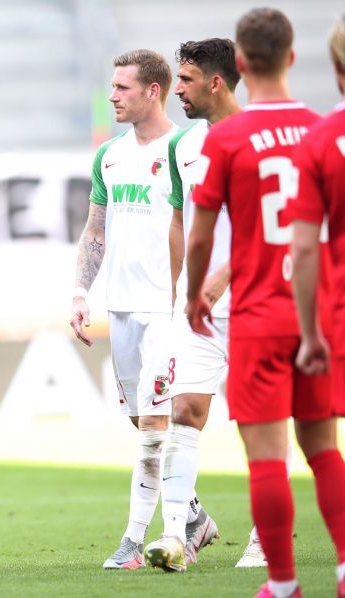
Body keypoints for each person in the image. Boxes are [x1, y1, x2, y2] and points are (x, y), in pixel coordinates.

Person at [186, 9, 345, 598]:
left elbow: (201, 234)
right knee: (324, 449)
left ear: (243, 65)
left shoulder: (227, 137)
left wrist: (195, 294)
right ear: (294, 57)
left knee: (268, 459)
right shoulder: (322, 129)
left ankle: (281, 583)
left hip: (256, 314)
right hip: (318, 314)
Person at [144, 37, 263, 572]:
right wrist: (179, 291)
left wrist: (223, 277)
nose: (179, 91)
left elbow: (270, 227)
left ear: (216, 82)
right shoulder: (182, 146)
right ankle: (175, 537)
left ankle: (266, 534)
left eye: (186, 81)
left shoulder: (262, 140)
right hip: (198, 310)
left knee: (261, 422)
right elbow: (179, 221)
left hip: (261, 301)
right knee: (184, 412)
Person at [70, 49, 190, 570]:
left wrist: (187, 295)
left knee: (154, 425)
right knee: (142, 421)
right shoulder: (110, 155)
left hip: (165, 307)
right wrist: (80, 292)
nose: (113, 96)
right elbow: (95, 228)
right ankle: (195, 517)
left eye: (122, 88)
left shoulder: (185, 147)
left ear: (153, 91)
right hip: (119, 306)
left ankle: (138, 541)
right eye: (112, 87)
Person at [290, 14, 345, 598]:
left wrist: (308, 332)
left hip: (335, 310)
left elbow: (304, 246)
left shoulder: (324, 139)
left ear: (335, 70)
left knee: (320, 442)